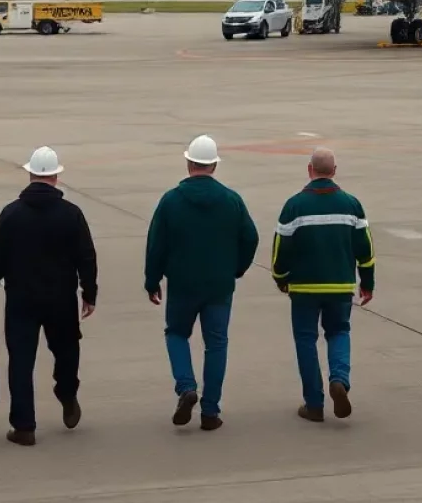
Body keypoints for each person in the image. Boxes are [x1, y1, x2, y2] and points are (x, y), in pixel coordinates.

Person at [0, 146, 98, 447]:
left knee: (21, 361)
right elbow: (87, 257)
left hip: (21, 300)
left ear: (30, 174)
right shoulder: (72, 214)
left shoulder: (11, 214)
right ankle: (67, 392)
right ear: (56, 177)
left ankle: (24, 426)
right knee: (67, 351)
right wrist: (89, 292)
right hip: (61, 300)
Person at [144, 135, 259, 431]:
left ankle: (186, 387)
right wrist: (237, 269)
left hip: (182, 284)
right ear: (214, 166)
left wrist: (152, 279)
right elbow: (250, 238)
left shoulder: (170, 200)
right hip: (219, 286)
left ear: (188, 163)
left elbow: (156, 243)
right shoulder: (232, 200)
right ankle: (210, 411)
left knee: (177, 334)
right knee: (216, 344)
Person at [272, 148, 374, 422]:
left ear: (310, 170)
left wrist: (281, 278)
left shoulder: (294, 205)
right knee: (339, 332)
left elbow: (281, 249)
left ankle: (314, 404)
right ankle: (339, 379)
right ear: (334, 171)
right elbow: (365, 249)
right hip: (340, 287)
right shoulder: (352, 205)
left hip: (304, 288)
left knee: (306, 340)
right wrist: (367, 283)